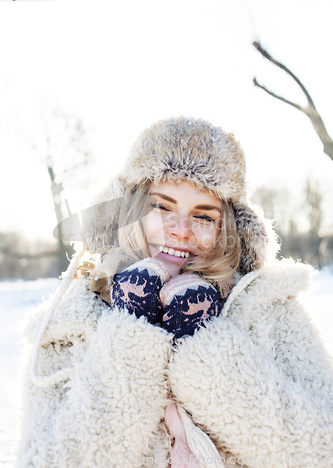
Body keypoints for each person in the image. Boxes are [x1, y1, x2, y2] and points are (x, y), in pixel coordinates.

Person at [17, 117, 333, 468]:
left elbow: (320, 452)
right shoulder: (69, 324)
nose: (181, 230)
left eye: (204, 216)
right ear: (131, 210)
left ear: (227, 227)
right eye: (162, 206)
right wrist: (130, 330)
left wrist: (205, 342)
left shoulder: (270, 310)